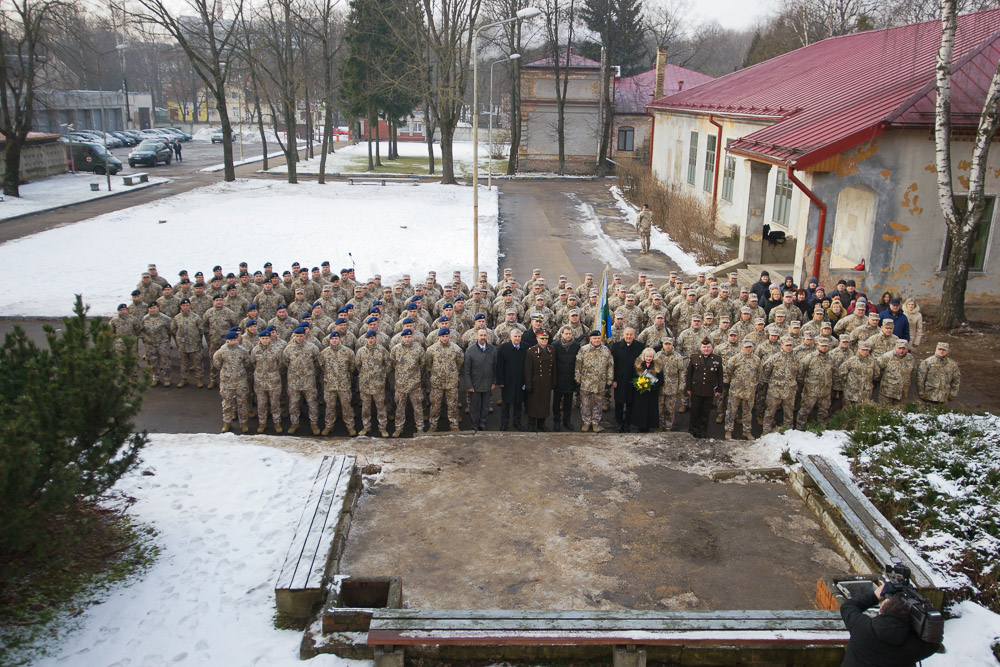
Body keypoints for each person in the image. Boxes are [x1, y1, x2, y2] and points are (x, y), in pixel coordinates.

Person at [840, 583, 939, 667]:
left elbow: (848, 606)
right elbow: (934, 642)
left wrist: (875, 596)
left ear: (880, 611)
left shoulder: (861, 626)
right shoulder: (914, 648)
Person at [575, 330, 614, 432]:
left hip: (600, 383)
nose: (597, 340)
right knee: (585, 404)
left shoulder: (606, 350)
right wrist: (577, 379)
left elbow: (610, 366)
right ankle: (586, 422)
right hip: (586, 382)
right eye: (594, 338)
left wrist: (609, 380)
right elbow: (578, 365)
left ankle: (595, 423)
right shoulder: (583, 349)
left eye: (598, 338)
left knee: (598, 404)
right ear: (590, 339)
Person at [390, 329, 426, 436]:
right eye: (405, 337)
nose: (407, 339)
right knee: (400, 408)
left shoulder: (418, 349)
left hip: (415, 385)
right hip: (400, 385)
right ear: (402, 337)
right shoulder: (396, 349)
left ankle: (420, 427)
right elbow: (393, 363)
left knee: (418, 408)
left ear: (412, 337)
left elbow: (422, 363)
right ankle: (398, 427)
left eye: (409, 337)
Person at [685, 338, 723, 438]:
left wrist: (719, 389)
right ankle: (692, 431)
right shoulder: (694, 358)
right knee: (694, 411)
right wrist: (688, 388)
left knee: (705, 413)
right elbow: (689, 374)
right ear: (700, 348)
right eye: (704, 347)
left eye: (708, 347)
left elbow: (720, 375)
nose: (706, 349)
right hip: (696, 389)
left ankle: (702, 431)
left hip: (709, 390)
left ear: (712, 348)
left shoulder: (717, 359)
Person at [462, 328, 497, 432]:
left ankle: (483, 423)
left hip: (487, 383)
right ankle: (474, 425)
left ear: (487, 336)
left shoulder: (492, 349)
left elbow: (495, 367)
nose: (483, 337)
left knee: (485, 406)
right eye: (481, 335)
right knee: (474, 407)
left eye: (485, 335)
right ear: (476, 336)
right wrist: (469, 385)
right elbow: (466, 370)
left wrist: (494, 381)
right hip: (475, 385)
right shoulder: (470, 350)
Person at [611, 327, 643, 432]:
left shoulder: (640, 347)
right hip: (620, 379)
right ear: (623, 335)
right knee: (619, 403)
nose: (629, 336)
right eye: (627, 334)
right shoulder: (615, 347)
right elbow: (612, 365)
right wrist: (613, 380)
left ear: (634, 335)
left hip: (633, 379)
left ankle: (627, 423)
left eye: (631, 334)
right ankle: (619, 423)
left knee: (631, 403)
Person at [524, 330, 556, 431]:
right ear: (537, 339)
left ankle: (541, 423)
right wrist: (528, 385)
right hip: (535, 381)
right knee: (533, 403)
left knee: (544, 403)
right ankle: (531, 423)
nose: (544, 340)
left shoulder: (551, 350)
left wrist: (553, 382)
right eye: (542, 338)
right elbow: (528, 370)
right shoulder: (531, 351)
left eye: (546, 338)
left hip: (547, 381)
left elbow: (554, 367)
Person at [495, 329, 528, 431]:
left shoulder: (525, 347)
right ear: (511, 337)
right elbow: (499, 366)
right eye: (515, 336)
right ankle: (504, 423)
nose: (517, 338)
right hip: (507, 381)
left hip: (520, 381)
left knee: (518, 403)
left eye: (519, 336)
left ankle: (517, 422)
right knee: (506, 403)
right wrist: (500, 381)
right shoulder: (503, 348)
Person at [551, 326, 581, 431]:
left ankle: (567, 421)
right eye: (566, 333)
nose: (568, 336)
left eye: (570, 333)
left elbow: (578, 363)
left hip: (570, 378)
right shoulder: (555, 345)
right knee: (556, 402)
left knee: (568, 403)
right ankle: (556, 422)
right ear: (562, 334)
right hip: (558, 378)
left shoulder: (576, 346)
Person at [630, 348, 662, 433]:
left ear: (653, 357)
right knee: (640, 410)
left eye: (650, 356)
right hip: (640, 393)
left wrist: (653, 386)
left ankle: (647, 427)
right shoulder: (638, 365)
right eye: (647, 356)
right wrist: (639, 384)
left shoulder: (657, 366)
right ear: (644, 356)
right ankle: (640, 427)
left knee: (650, 411)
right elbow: (634, 377)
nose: (648, 358)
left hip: (651, 393)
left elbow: (661, 380)